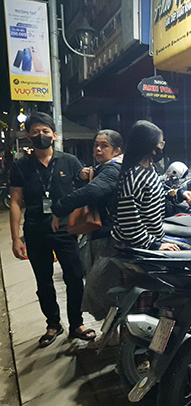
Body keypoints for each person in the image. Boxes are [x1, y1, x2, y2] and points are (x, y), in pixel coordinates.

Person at [9, 112, 96, 347]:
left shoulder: (69, 161)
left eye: (45, 131)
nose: (41, 135)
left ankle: (76, 324)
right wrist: (16, 238)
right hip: (35, 231)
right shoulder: (21, 166)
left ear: (54, 135)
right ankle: (53, 324)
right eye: (35, 132)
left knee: (75, 277)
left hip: (66, 230)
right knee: (44, 282)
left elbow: (85, 188)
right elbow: (15, 202)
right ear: (28, 136)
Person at [50, 130, 123, 320]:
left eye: (104, 146)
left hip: (110, 237)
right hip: (98, 233)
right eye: (96, 145)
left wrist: (59, 208)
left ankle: (116, 329)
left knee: (99, 287)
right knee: (99, 285)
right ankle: (113, 330)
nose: (98, 149)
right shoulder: (102, 168)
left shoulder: (113, 169)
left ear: (116, 151)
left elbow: (92, 191)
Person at [112, 120, 191, 250]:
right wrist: (156, 246)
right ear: (149, 145)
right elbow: (129, 224)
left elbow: (154, 198)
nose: (161, 147)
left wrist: (179, 194)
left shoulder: (150, 169)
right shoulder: (133, 177)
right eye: (160, 143)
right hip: (138, 248)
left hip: (152, 241)